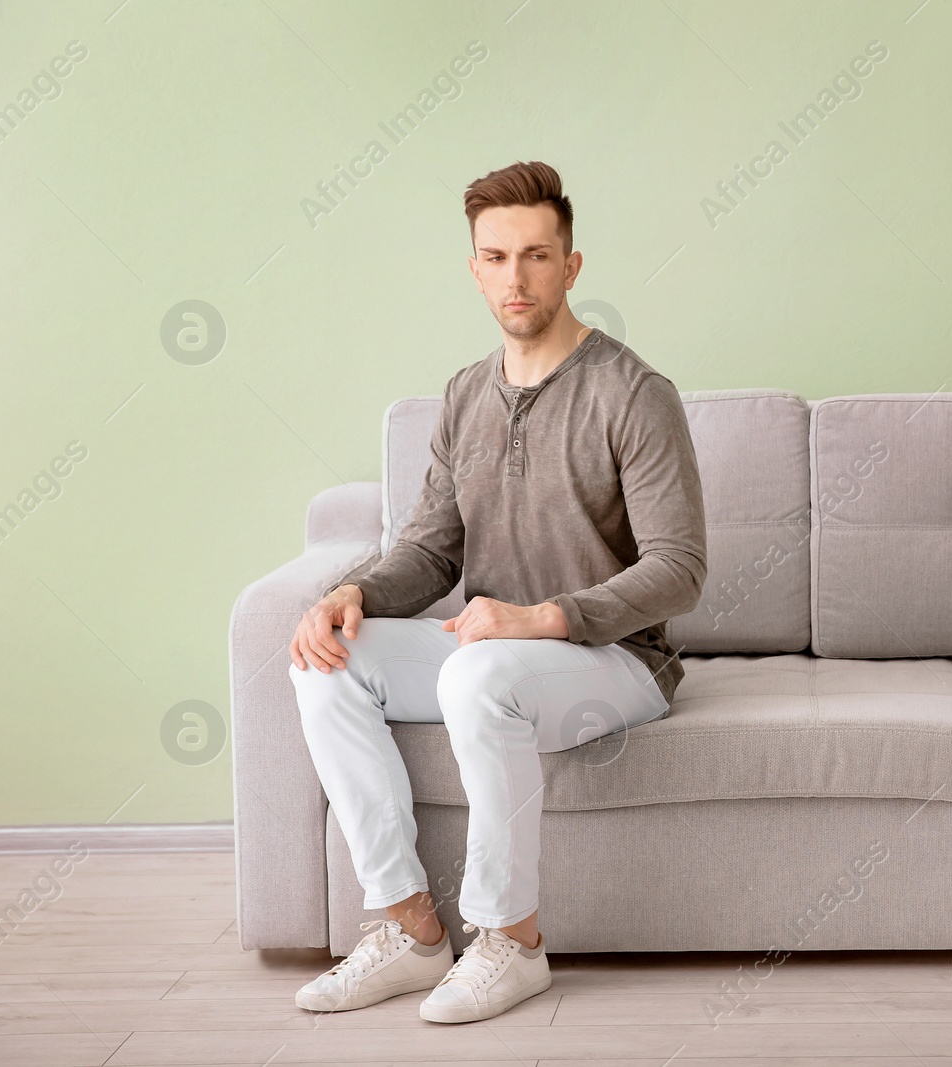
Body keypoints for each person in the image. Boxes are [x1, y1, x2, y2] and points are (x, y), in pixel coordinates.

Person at [286, 160, 707, 1023]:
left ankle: (512, 944)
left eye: (537, 256)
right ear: (474, 268)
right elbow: (431, 551)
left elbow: (681, 567)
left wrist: (546, 616)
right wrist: (351, 593)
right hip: (492, 650)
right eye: (497, 257)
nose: (517, 277)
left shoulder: (634, 394)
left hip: (613, 659)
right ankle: (409, 928)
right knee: (325, 658)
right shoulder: (465, 396)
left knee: (476, 674)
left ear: (572, 265)